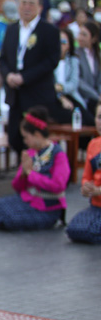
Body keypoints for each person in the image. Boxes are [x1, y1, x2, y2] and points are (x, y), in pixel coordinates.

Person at [0, 106, 68, 231]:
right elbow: (18, 188)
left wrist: (31, 174)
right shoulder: (31, 153)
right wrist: (23, 172)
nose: (25, 141)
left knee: (10, 220)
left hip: (47, 208)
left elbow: (58, 185)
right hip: (27, 201)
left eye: (26, 137)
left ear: (37, 135)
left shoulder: (58, 154)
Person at [0, 0, 61, 154]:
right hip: (15, 94)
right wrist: (8, 76)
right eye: (23, 3)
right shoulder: (11, 29)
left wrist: (24, 77)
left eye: (31, 3)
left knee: (34, 138)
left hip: (37, 93)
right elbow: (2, 59)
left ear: (40, 7)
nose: (26, 7)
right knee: (15, 138)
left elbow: (51, 61)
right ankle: (22, 174)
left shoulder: (49, 31)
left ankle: (38, 174)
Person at [66, 103, 101, 243]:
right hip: (96, 206)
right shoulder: (93, 145)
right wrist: (86, 187)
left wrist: (99, 191)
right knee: (75, 229)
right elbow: (87, 176)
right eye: (99, 117)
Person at [53, 28, 87, 124]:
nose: (60, 45)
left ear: (69, 45)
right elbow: (48, 85)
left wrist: (61, 87)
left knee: (88, 120)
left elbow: (73, 83)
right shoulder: (49, 61)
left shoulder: (73, 60)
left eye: (63, 42)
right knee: (68, 116)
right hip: (55, 98)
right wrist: (60, 96)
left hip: (71, 95)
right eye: (58, 42)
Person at [76, 20, 101, 120]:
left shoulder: (97, 56)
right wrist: (96, 96)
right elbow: (78, 81)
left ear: (94, 38)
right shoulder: (76, 54)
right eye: (80, 34)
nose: (80, 38)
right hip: (82, 98)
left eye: (84, 35)